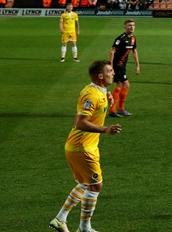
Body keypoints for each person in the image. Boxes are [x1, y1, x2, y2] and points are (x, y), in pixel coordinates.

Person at [49, 59, 123, 232]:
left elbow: (96, 109)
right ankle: (84, 228)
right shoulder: (91, 94)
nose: (113, 73)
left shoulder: (99, 91)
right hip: (82, 147)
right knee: (96, 185)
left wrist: (107, 102)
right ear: (100, 75)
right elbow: (80, 123)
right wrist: (105, 129)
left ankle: (60, 219)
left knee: (85, 184)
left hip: (84, 146)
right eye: (110, 71)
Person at [108, 20, 140, 117]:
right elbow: (112, 51)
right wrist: (111, 66)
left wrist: (137, 65)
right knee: (122, 85)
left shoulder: (133, 39)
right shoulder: (120, 38)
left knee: (124, 85)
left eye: (133, 25)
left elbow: (134, 51)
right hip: (117, 65)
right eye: (129, 25)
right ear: (125, 27)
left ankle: (118, 109)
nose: (132, 27)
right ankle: (114, 110)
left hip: (123, 66)